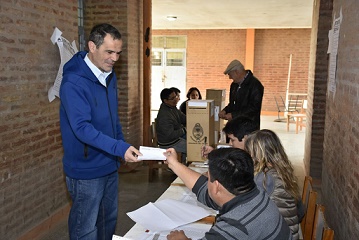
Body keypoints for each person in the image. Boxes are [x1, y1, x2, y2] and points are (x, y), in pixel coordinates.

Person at [59, 23, 141, 240]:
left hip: (109, 165)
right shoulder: (73, 82)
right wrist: (119, 148)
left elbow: (112, 119)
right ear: (92, 47)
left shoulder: (108, 75)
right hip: (86, 170)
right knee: (85, 229)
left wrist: (120, 148)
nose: (114, 58)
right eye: (109, 52)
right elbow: (82, 129)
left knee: (108, 222)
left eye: (118, 53)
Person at [164, 147, 292, 240]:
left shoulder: (235, 226)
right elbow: (202, 188)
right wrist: (174, 164)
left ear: (217, 186)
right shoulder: (257, 193)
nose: (206, 180)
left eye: (208, 177)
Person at [244, 129, 304, 240]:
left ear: (256, 154)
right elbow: (300, 211)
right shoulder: (283, 172)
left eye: (248, 153)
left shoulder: (264, 179)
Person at [219, 59, 264, 129]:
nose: (230, 77)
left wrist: (233, 115)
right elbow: (232, 104)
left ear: (237, 72)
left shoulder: (255, 85)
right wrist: (225, 110)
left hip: (249, 127)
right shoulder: (234, 85)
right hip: (235, 125)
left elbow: (254, 108)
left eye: (230, 74)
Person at [156, 88, 187, 163]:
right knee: (193, 147)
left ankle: (182, 165)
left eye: (175, 96)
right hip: (169, 143)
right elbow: (170, 135)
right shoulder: (165, 115)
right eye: (172, 98)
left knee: (195, 140)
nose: (176, 99)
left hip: (175, 139)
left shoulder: (172, 108)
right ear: (165, 101)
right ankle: (178, 168)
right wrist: (184, 130)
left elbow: (183, 118)